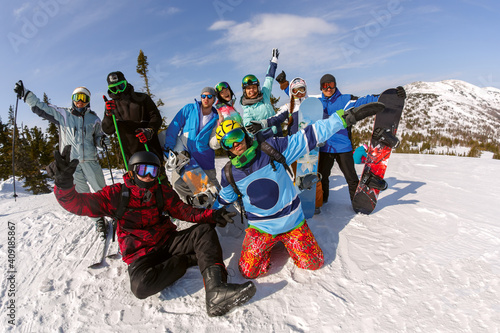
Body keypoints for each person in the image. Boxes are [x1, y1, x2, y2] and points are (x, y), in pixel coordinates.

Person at [47, 146, 256, 316]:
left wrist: (212, 216)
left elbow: (184, 211)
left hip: (167, 241)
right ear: (132, 171)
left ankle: (216, 291)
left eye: (153, 171)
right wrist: (64, 185)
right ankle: (185, 260)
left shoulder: (161, 191)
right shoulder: (116, 194)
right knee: (140, 288)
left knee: (203, 231)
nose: (148, 176)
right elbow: (77, 204)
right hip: (140, 255)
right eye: (142, 170)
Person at [213, 100, 384, 279]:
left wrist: (344, 119)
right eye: (228, 143)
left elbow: (309, 135)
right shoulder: (229, 172)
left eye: (237, 136)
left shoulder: (271, 148)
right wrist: (210, 212)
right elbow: (225, 197)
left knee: (314, 262)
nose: (235, 145)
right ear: (225, 148)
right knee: (248, 272)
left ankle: (289, 242)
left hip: (292, 224)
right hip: (261, 229)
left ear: (244, 134)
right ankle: (272, 245)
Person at [14, 81, 109, 237]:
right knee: (84, 195)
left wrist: (102, 142)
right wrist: (26, 95)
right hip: (72, 164)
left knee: (102, 190)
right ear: (72, 99)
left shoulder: (94, 119)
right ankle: (98, 220)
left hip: (91, 162)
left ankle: (112, 213)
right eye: (77, 97)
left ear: (88, 101)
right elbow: (42, 107)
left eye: (83, 98)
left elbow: (98, 137)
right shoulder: (63, 115)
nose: (80, 101)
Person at [317, 74, 406, 204]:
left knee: (351, 178)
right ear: (321, 88)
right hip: (326, 147)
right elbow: (299, 100)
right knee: (323, 177)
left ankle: (356, 202)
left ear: (335, 85)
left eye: (331, 85)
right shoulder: (317, 104)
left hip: (343, 147)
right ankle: (323, 201)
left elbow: (366, 100)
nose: (329, 88)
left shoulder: (346, 100)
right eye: (325, 86)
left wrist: (391, 96)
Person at [245, 76, 324, 214]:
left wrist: (323, 137)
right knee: (295, 176)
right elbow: (277, 119)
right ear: (292, 92)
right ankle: (297, 199)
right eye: (295, 91)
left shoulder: (313, 105)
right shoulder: (289, 107)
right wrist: (263, 124)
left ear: (306, 90)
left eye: (302, 90)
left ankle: (315, 203)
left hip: (311, 147)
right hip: (295, 146)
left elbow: (325, 121)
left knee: (312, 175)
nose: (299, 93)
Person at [163, 87, 221, 202]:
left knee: (212, 189)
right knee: (177, 185)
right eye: (203, 96)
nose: (206, 99)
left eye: (209, 96)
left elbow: (214, 143)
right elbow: (175, 126)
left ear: (214, 99)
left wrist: (221, 129)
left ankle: (223, 210)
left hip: (204, 159)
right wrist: (169, 147)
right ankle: (192, 208)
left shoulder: (217, 118)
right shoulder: (190, 109)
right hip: (184, 158)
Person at [102, 71, 164, 164]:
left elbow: (156, 117)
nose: (118, 91)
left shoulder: (142, 98)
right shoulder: (111, 106)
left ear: (126, 83)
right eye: (114, 88)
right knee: (136, 178)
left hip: (150, 149)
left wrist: (149, 130)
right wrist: (108, 115)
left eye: (121, 86)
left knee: (157, 177)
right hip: (130, 156)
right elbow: (108, 130)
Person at [241, 48, 282, 137]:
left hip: (278, 132)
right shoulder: (248, 109)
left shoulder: (264, 95)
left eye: (254, 87)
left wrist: (273, 62)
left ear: (258, 88)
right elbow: (250, 131)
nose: (251, 90)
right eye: (248, 89)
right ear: (245, 91)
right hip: (266, 139)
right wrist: (270, 131)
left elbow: (269, 78)